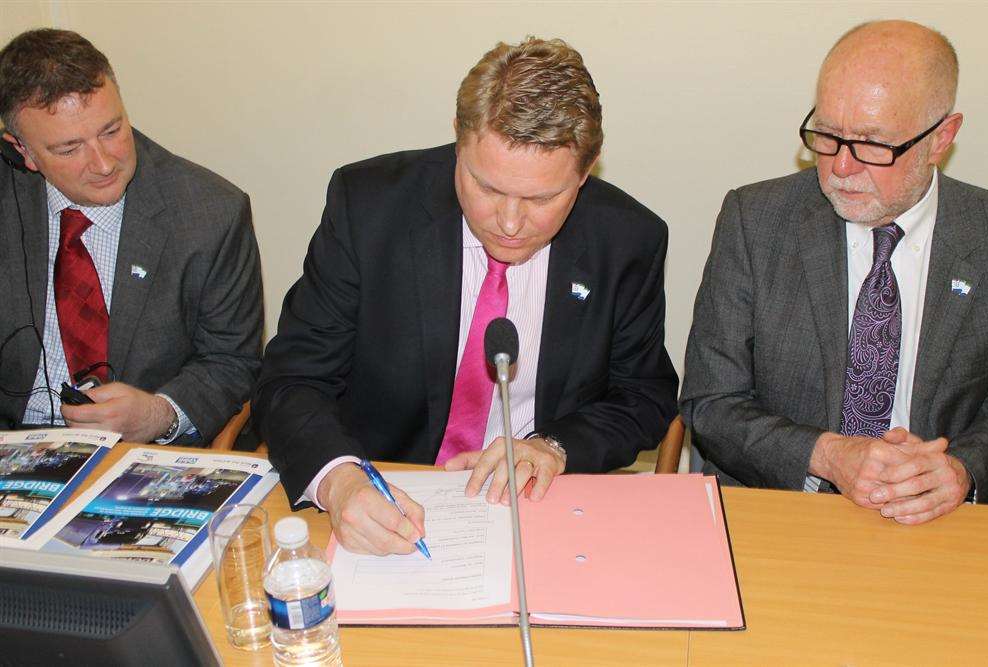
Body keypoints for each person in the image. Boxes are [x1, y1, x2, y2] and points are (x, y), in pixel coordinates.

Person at [254, 37, 678, 555]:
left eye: (542, 198)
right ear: (459, 139)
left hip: (537, 511)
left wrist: (553, 447)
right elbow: (292, 379)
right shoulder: (368, 207)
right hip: (383, 495)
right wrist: (340, 482)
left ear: (586, 172)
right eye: (487, 187)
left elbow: (643, 396)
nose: (509, 222)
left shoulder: (627, 239)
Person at [681, 20, 988, 524]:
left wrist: (964, 471)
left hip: (944, 524)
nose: (841, 168)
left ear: (942, 138)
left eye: (873, 144)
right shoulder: (756, 220)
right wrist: (828, 456)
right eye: (827, 134)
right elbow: (710, 402)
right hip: (785, 510)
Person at [0, 29, 263, 444]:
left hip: (143, 450)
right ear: (22, 151)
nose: (104, 164)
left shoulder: (211, 212)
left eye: (112, 130)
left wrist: (160, 414)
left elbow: (232, 363)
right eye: (69, 149)